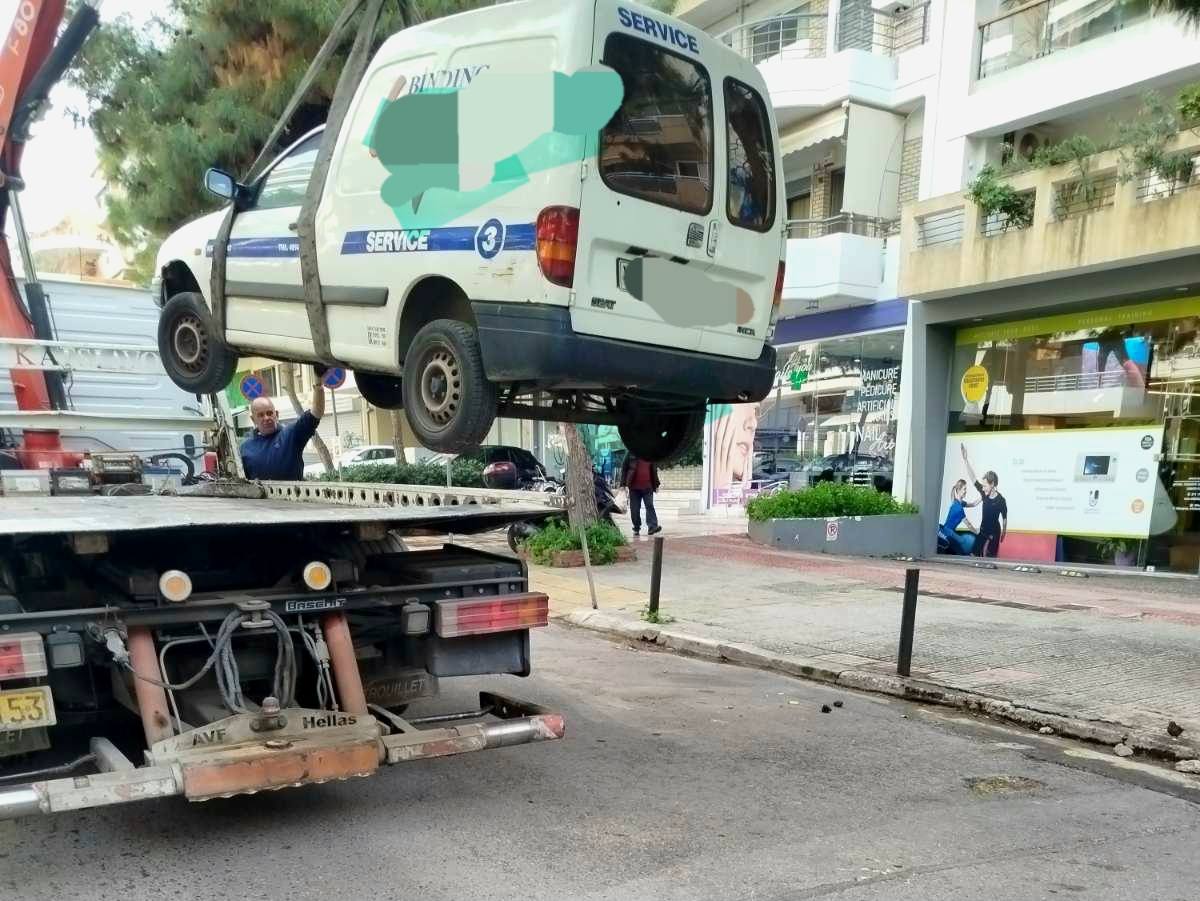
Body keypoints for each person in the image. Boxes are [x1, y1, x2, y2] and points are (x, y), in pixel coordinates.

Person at [240, 366, 326, 481]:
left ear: (276, 414)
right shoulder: (244, 448)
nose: (266, 418)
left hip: (293, 493)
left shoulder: (291, 434)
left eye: (269, 413)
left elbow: (316, 413)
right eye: (261, 415)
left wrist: (318, 383)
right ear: (253, 419)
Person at [960, 444, 1007, 558]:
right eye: (983, 485)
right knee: (973, 555)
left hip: (994, 533)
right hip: (983, 530)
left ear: (993, 484)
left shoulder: (1001, 500)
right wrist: (965, 460)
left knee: (990, 558)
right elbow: (973, 478)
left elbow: (1004, 518)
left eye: (985, 485)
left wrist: (1003, 533)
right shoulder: (984, 492)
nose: (983, 488)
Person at [620, 453, 661, 537]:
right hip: (634, 488)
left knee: (649, 505)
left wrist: (656, 484)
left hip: (648, 487)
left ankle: (652, 527)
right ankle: (636, 527)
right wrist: (622, 484)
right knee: (634, 509)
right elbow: (624, 468)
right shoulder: (631, 453)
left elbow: (654, 470)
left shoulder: (649, 453)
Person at [939, 479, 979, 555]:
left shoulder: (958, 502)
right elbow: (969, 525)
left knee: (963, 547)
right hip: (948, 534)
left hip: (949, 532)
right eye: (964, 489)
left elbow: (973, 504)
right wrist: (977, 532)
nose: (966, 491)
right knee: (963, 548)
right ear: (958, 490)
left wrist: (983, 496)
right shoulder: (959, 508)